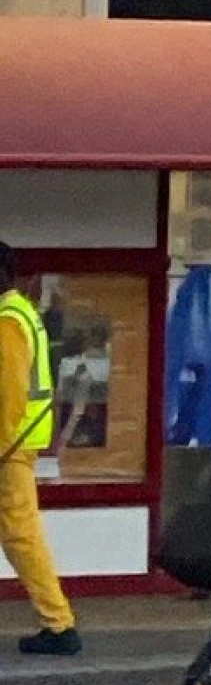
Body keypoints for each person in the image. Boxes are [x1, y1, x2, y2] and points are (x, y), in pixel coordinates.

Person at [0, 241, 79, 654]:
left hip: (9, 449)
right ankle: (58, 622)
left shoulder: (8, 322)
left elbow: (9, 398)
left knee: (21, 535)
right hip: (15, 445)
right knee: (22, 534)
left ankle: (59, 624)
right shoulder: (21, 314)